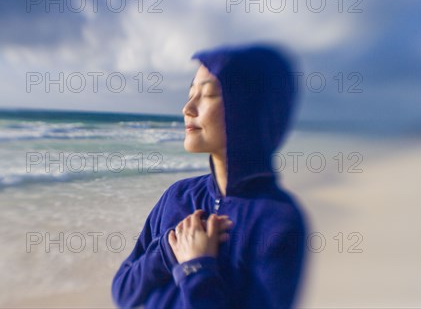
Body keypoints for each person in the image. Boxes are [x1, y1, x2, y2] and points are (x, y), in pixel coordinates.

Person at [111, 44, 309, 309]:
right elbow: (123, 292)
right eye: (191, 92)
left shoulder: (276, 221)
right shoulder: (178, 196)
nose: (187, 108)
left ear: (248, 110)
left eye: (208, 94)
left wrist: (196, 269)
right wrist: (168, 251)